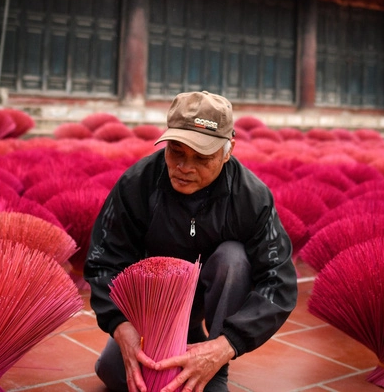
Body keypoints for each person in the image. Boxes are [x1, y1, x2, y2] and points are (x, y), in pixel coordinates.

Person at [84, 91, 297, 392]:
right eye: (177, 151)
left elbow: (279, 283)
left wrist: (226, 346)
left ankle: (213, 367)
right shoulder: (138, 184)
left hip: (214, 300)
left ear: (228, 150)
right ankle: (183, 335)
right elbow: (103, 262)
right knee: (114, 373)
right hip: (152, 307)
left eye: (202, 157)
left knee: (233, 258)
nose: (185, 167)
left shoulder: (251, 198)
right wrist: (121, 327)